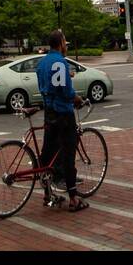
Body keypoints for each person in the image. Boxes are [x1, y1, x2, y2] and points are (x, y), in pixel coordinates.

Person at [36, 29, 88, 211]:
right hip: (63, 113)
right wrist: (78, 99)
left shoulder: (42, 63)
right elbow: (64, 91)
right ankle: (74, 198)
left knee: (48, 152)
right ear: (60, 43)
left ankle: (47, 193)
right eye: (65, 41)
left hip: (49, 112)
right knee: (68, 154)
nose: (66, 44)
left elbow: (47, 86)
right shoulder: (60, 62)